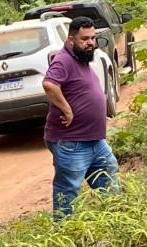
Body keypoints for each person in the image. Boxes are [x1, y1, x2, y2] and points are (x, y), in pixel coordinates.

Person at [42, 16, 118, 218]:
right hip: (71, 142)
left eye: (93, 38)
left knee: (109, 176)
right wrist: (67, 109)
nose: (90, 43)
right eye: (84, 39)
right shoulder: (64, 59)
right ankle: (63, 230)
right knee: (68, 191)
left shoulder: (81, 58)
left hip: (94, 141)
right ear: (70, 40)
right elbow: (49, 84)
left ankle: (115, 223)